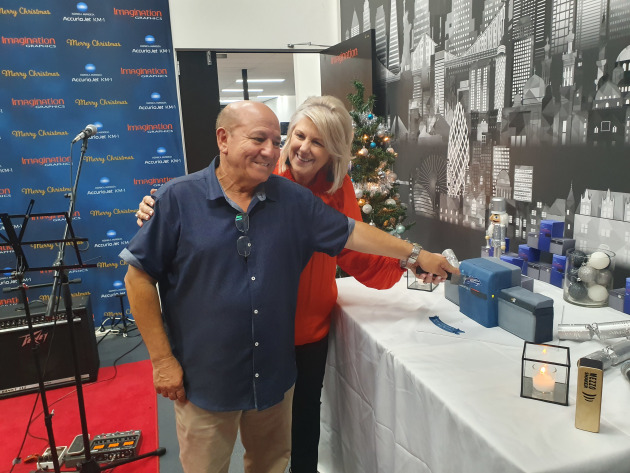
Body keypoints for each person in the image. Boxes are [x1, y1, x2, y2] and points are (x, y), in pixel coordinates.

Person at [124, 100, 458, 473]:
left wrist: (414, 256)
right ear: (224, 139)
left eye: (275, 139)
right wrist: (162, 360)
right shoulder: (179, 198)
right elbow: (138, 276)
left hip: (276, 363)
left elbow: (354, 236)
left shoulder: (294, 199)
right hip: (208, 373)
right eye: (262, 138)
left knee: (277, 457)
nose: (272, 149)